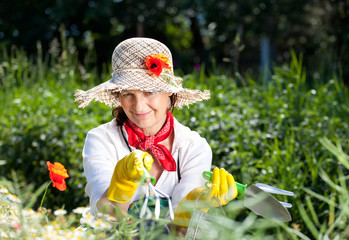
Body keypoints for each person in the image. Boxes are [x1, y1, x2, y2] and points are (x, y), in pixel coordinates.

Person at [75, 37, 238, 232]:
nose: (139, 106)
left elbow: (180, 233)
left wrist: (193, 207)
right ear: (118, 97)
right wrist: (121, 185)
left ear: (170, 94)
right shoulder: (102, 139)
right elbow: (104, 220)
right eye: (128, 94)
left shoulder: (193, 147)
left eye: (150, 92)